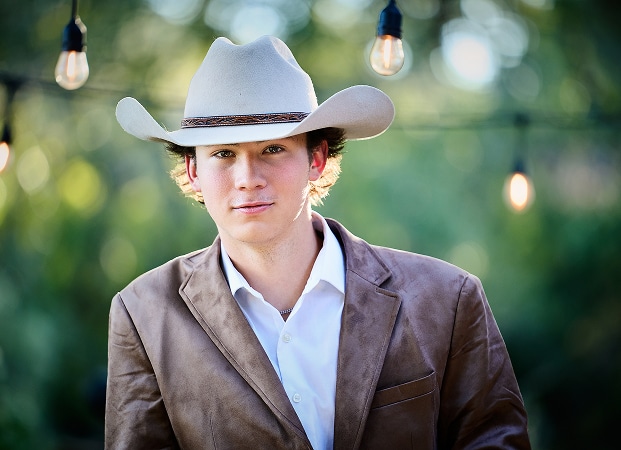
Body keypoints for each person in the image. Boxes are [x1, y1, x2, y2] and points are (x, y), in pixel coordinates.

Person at [106, 35, 530, 449]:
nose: (247, 178)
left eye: (272, 148)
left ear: (317, 158)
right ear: (193, 170)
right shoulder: (144, 314)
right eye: (223, 154)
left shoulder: (446, 299)